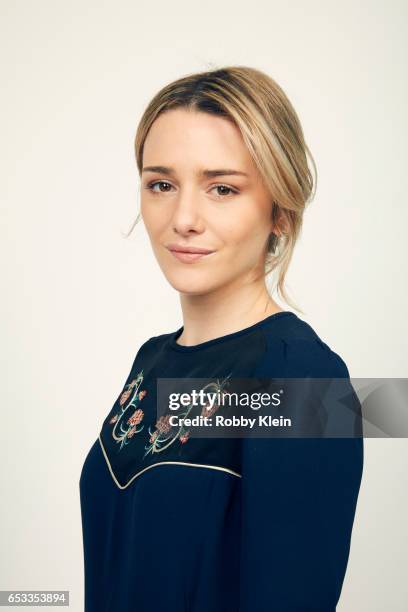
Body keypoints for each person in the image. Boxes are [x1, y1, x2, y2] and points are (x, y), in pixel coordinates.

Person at [79, 65, 364, 612]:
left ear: (281, 210)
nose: (183, 218)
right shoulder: (153, 359)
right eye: (161, 184)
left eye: (222, 188)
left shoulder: (304, 379)